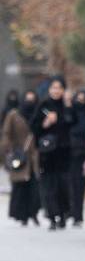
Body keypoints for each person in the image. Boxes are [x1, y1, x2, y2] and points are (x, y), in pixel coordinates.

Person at [30, 77, 77, 230]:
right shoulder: (43, 105)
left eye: (59, 88)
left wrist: (67, 109)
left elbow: (74, 122)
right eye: (53, 88)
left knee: (63, 185)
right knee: (49, 186)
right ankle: (52, 216)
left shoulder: (67, 105)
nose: (56, 91)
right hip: (47, 152)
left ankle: (63, 213)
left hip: (64, 151)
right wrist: (46, 123)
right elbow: (34, 127)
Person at [1, 90, 40, 226]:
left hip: (35, 156)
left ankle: (34, 213)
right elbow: (6, 133)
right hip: (19, 155)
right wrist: (8, 150)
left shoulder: (39, 115)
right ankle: (21, 215)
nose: (29, 102)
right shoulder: (14, 115)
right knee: (20, 187)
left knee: (35, 188)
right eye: (27, 99)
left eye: (32, 99)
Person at [68, 90, 85, 227]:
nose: (79, 102)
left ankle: (78, 215)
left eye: (83, 100)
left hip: (81, 156)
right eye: (78, 99)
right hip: (65, 155)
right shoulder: (67, 115)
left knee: (79, 186)